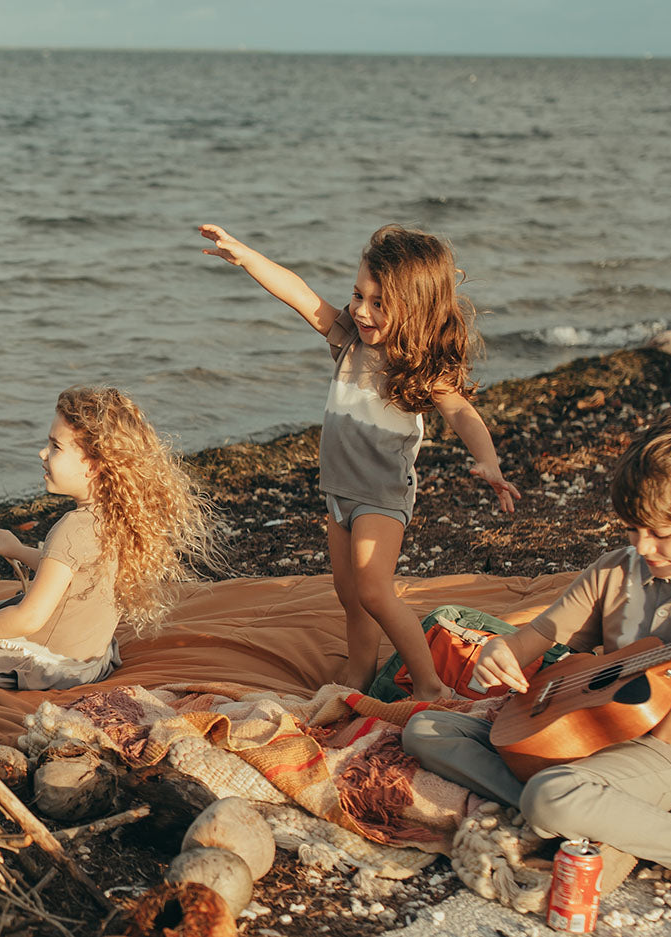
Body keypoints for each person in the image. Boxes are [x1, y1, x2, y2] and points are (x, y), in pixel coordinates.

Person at [402, 407, 671, 936]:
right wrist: (503, 650)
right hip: (590, 734)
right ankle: (590, 811)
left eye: (662, 535)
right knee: (426, 729)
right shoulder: (621, 568)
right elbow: (540, 635)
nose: (644, 547)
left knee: (551, 795)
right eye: (635, 530)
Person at [200, 223, 520, 702]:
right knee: (350, 596)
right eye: (358, 295)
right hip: (339, 490)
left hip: (382, 493)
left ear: (414, 310)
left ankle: (431, 686)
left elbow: (462, 414)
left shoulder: (417, 365)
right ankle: (359, 677)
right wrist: (247, 257)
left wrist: (489, 462)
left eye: (378, 303)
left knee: (374, 591)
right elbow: (299, 294)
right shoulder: (348, 338)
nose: (361, 311)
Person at [0, 386, 219, 692]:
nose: (43, 453)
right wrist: (18, 550)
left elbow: (29, 618)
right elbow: (70, 574)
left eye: (56, 446)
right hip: (88, 658)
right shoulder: (119, 516)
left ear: (94, 466)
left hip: (50, 662)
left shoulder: (72, 528)